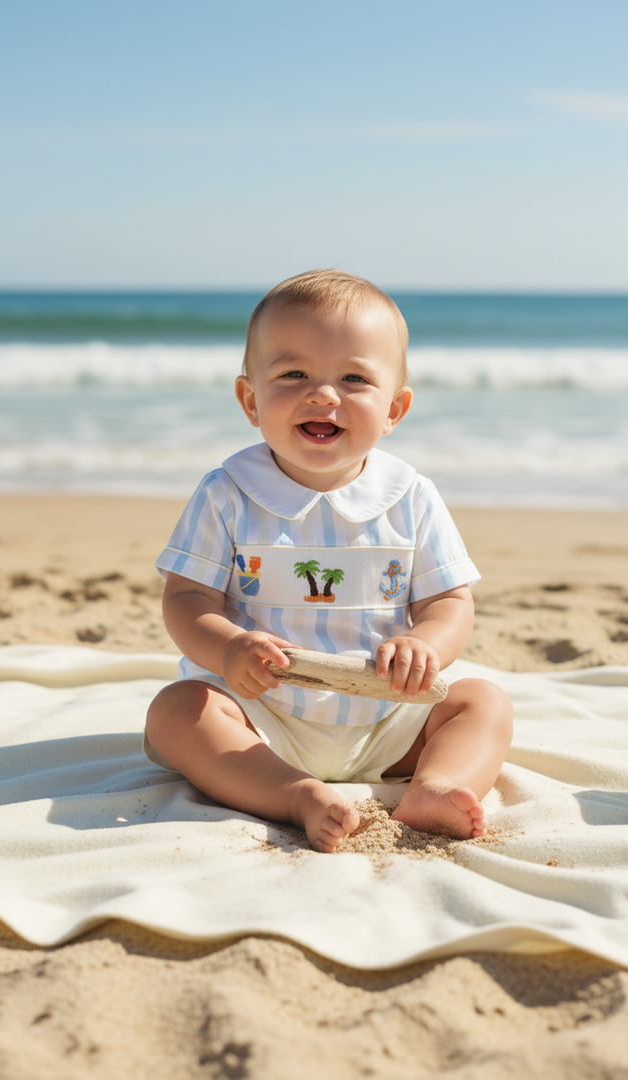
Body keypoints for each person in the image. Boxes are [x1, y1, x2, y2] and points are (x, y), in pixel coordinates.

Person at [145, 269, 513, 852]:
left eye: (353, 378)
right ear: (250, 399)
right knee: (177, 712)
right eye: (294, 374)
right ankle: (293, 793)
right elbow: (187, 598)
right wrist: (228, 648)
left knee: (483, 702)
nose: (323, 395)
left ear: (394, 409)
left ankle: (436, 787)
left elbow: (448, 600)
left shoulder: (411, 497)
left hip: (387, 715)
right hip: (262, 716)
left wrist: (425, 646)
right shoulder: (227, 493)